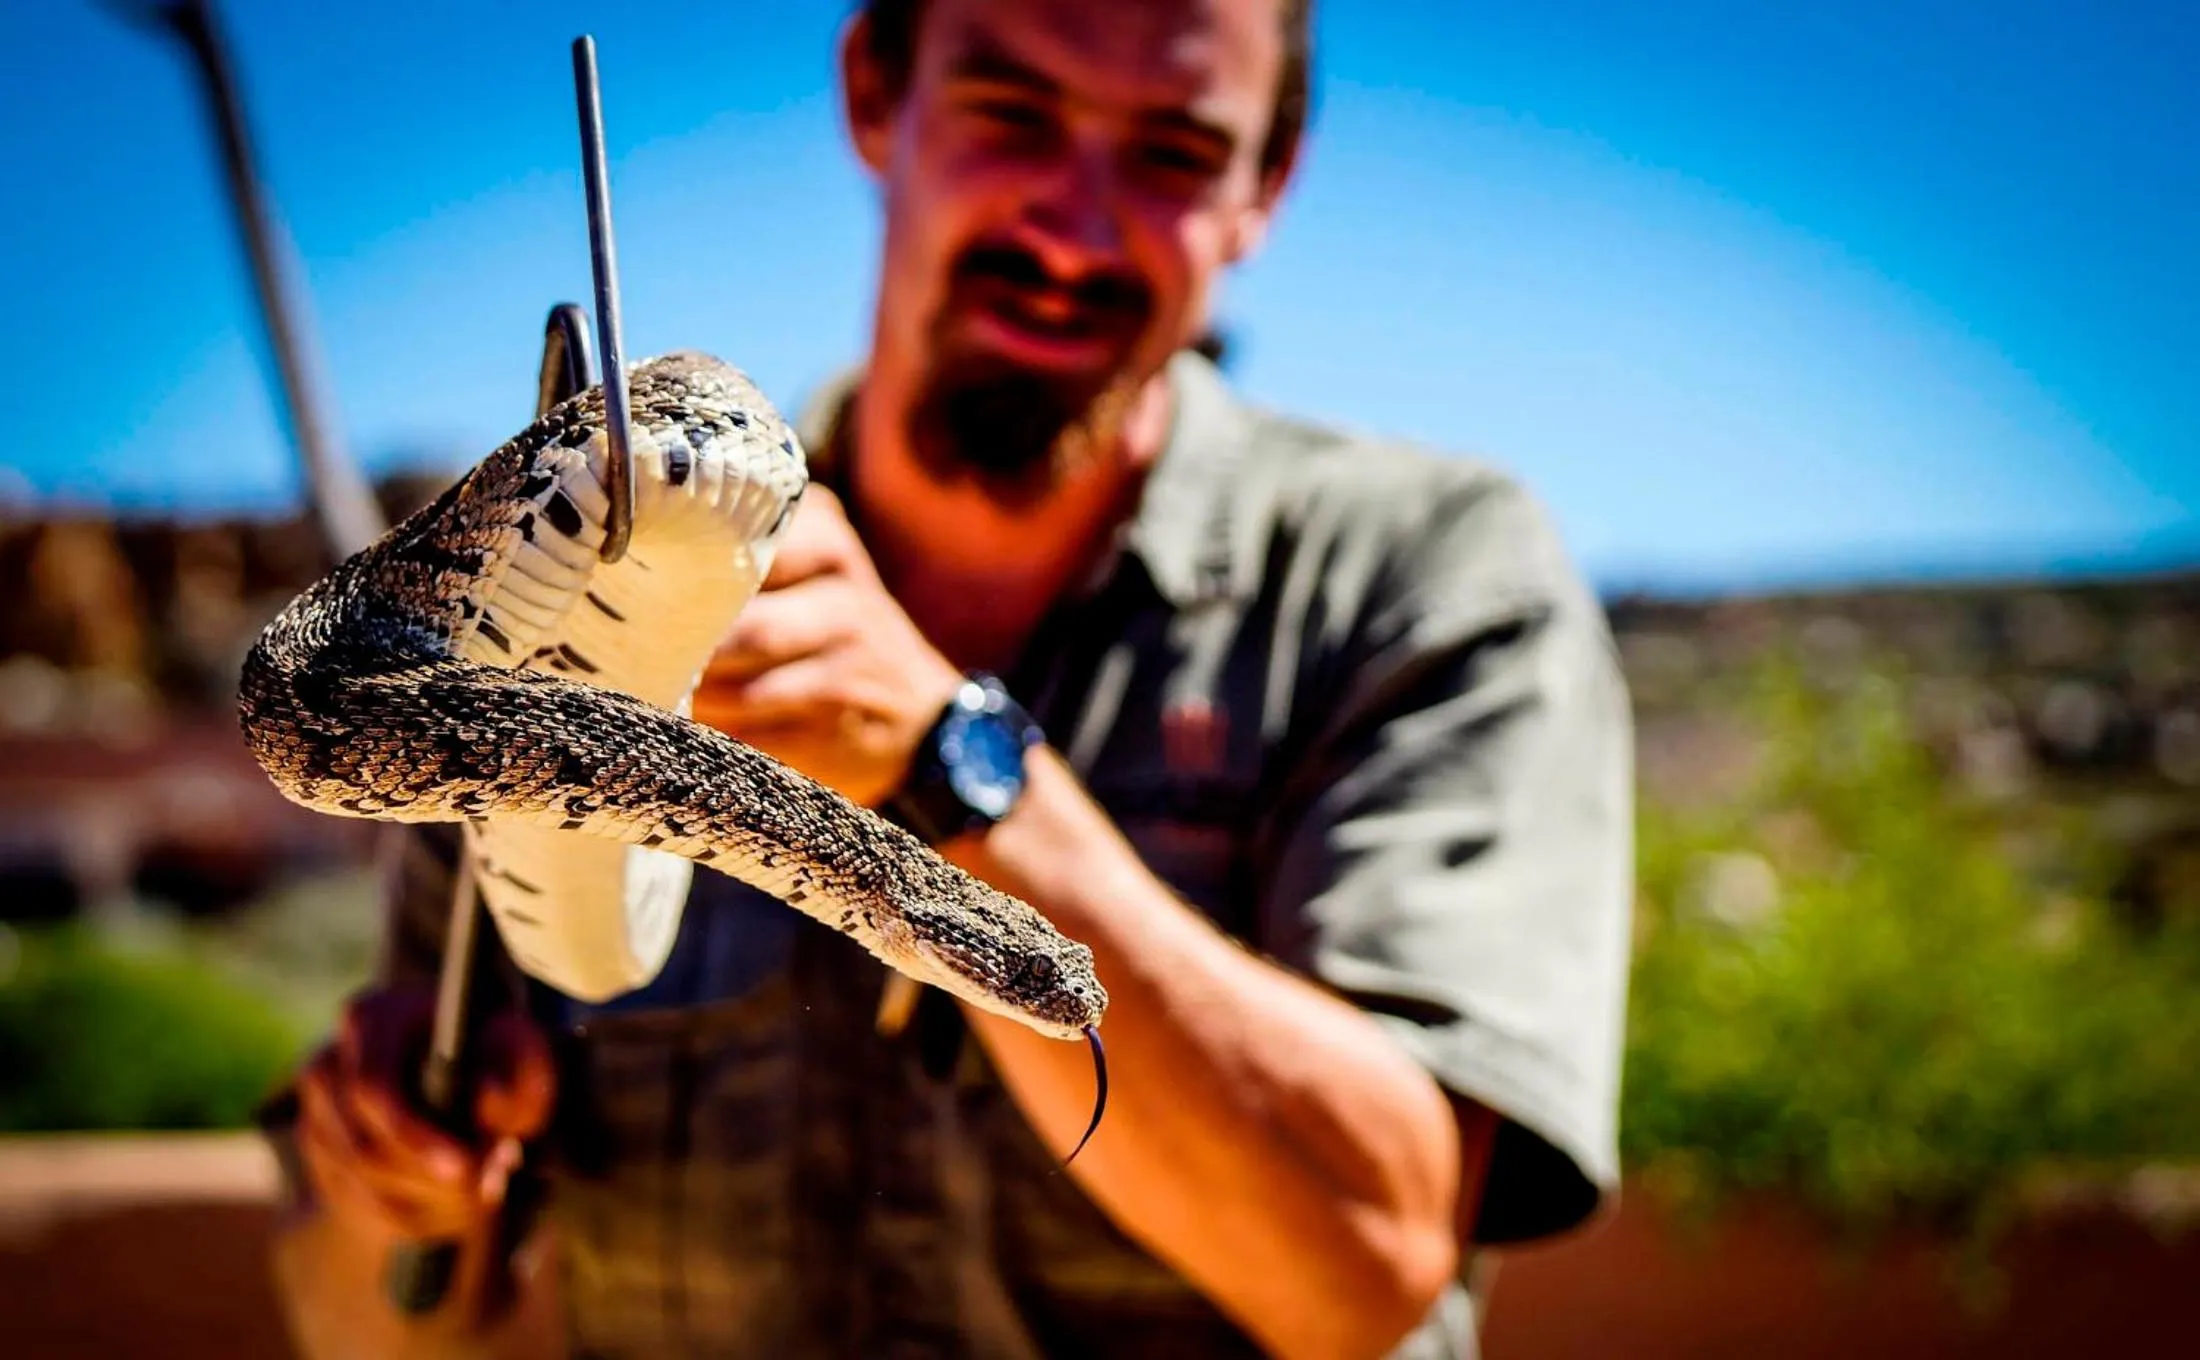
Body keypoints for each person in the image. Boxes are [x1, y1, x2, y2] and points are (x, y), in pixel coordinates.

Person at [262, 0, 1635, 1356]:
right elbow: (372, 1323)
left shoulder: (1429, 575)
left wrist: (951, 762)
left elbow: (1376, 1267)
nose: (1072, 223)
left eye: (1172, 150)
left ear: (1264, 185)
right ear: (874, 90)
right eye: (1011, 113)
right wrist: (389, 1192)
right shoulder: (585, 599)